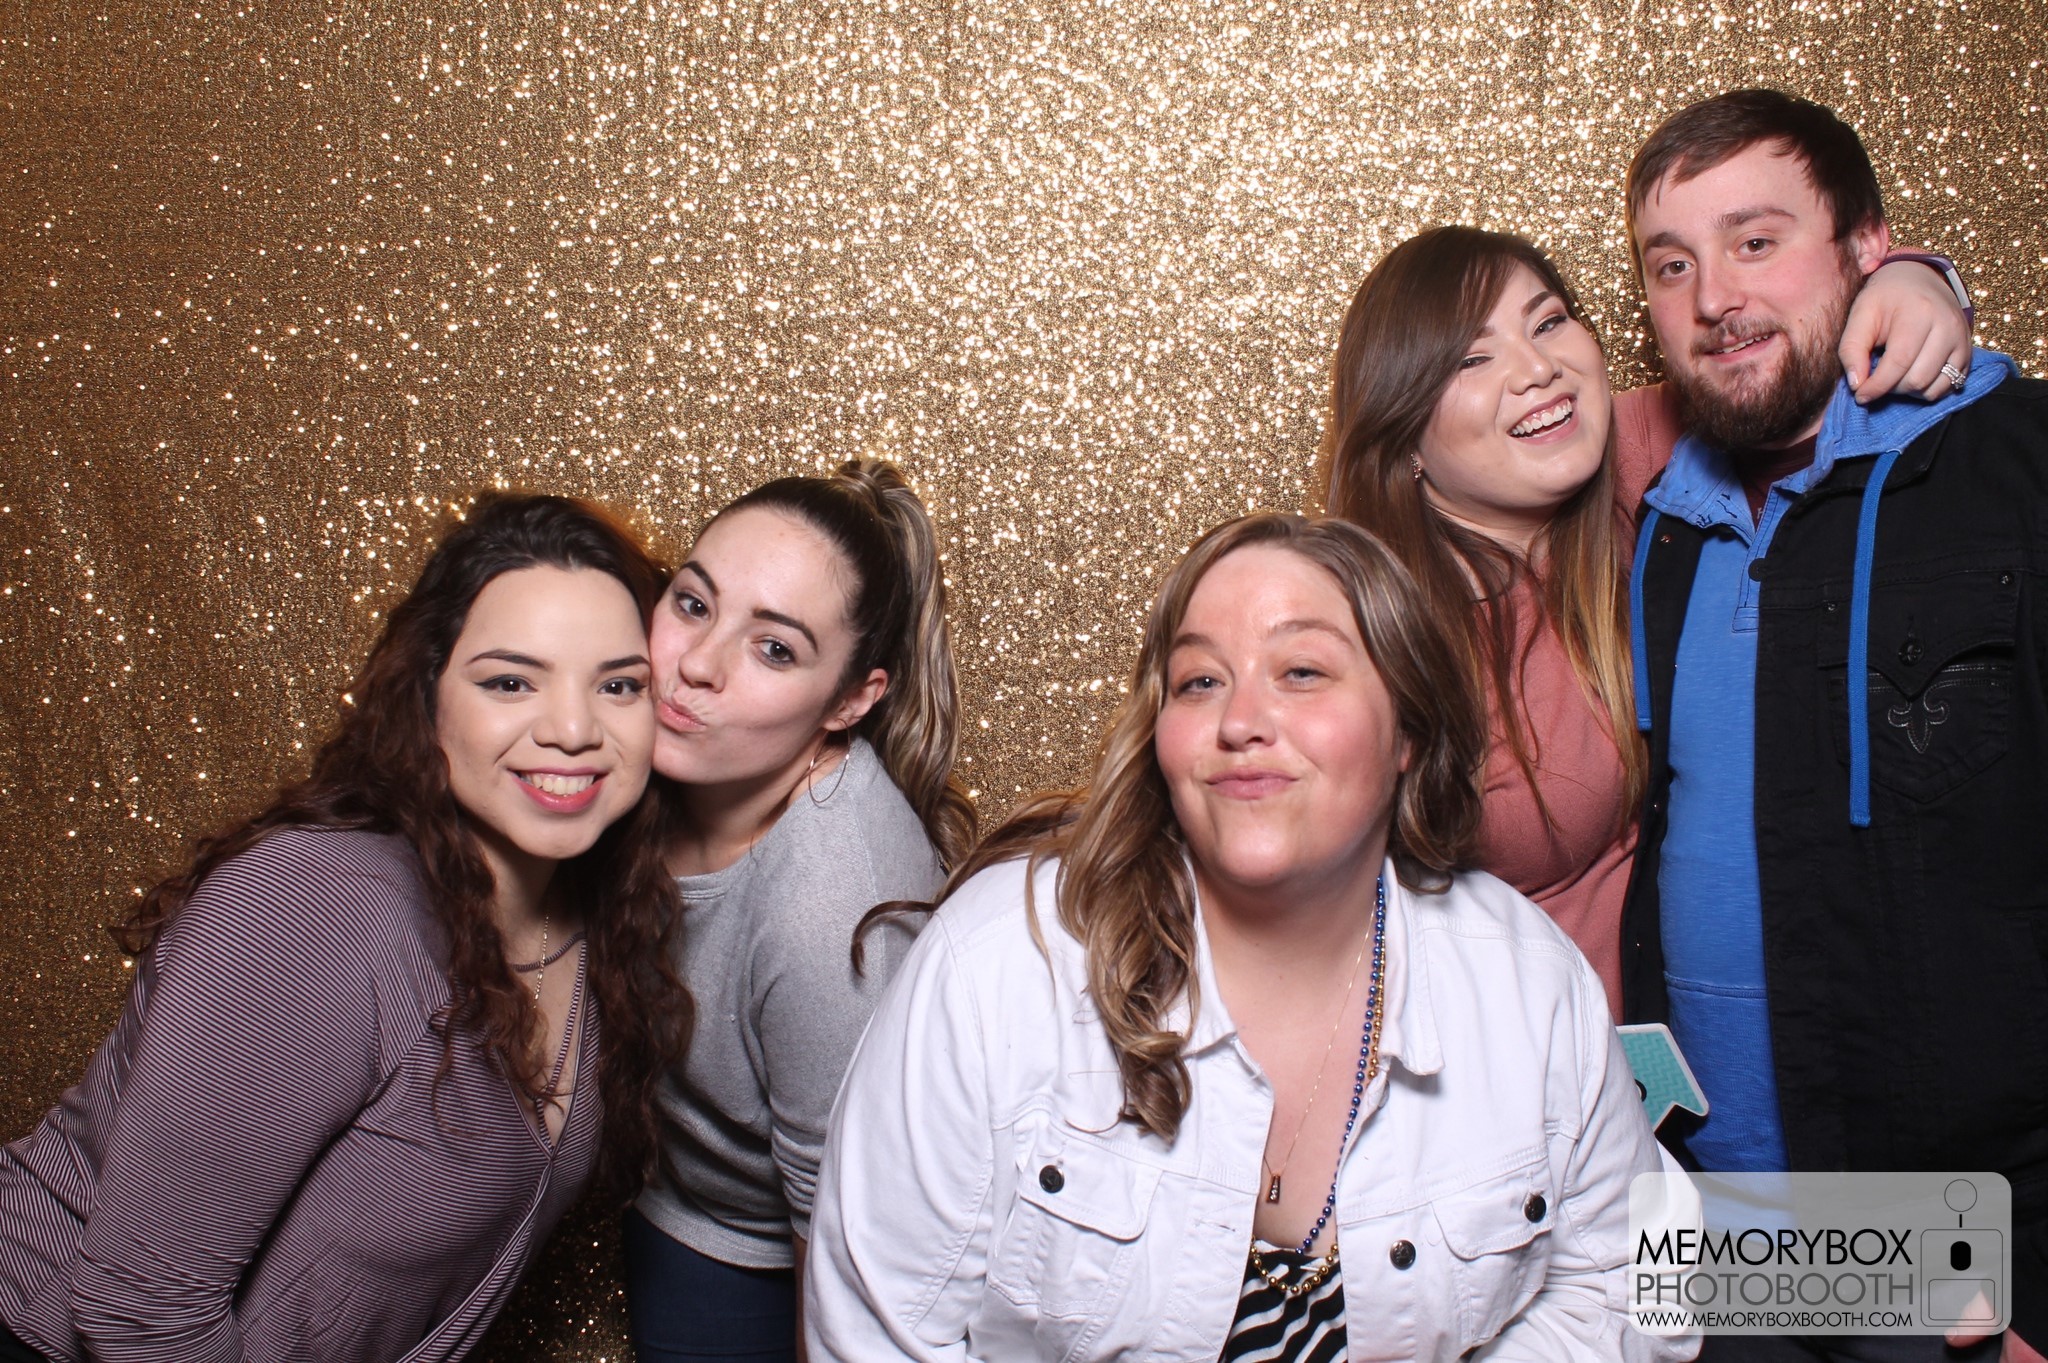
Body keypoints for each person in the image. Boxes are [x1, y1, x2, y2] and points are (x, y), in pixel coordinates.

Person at [805, 513, 1700, 1362]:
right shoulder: (998, 962)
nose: (1239, 721)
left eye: (1301, 671)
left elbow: (1657, 1280)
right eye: (1200, 680)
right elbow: (871, 1332)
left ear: (1407, 730)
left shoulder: (1530, 980)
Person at [0, 494, 689, 1363]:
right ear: (426, 699)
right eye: (510, 681)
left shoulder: (596, 928)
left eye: (618, 685)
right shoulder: (318, 906)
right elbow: (139, 1307)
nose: (574, 729)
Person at [1620, 88, 2048, 1361]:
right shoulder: (1652, 522)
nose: (1713, 297)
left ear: (1864, 249)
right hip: (1709, 1241)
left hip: (1973, 1249)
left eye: (1755, 242)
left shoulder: (2013, 469)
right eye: (1670, 265)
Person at [1321, 226, 1971, 1017]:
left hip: (1717, 1046)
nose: (1537, 368)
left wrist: (1912, 276)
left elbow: (1789, 357)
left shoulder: (1638, 453)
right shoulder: (1368, 636)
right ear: (1404, 436)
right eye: (1471, 359)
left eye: (1548, 321)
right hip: (1516, 1068)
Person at [625, 459, 974, 1363]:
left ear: (853, 699)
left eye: (774, 648)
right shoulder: (630, 747)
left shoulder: (831, 904)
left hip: (771, 1262)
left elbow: (851, 1247)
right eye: (693, 603)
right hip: (672, 1198)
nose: (696, 665)